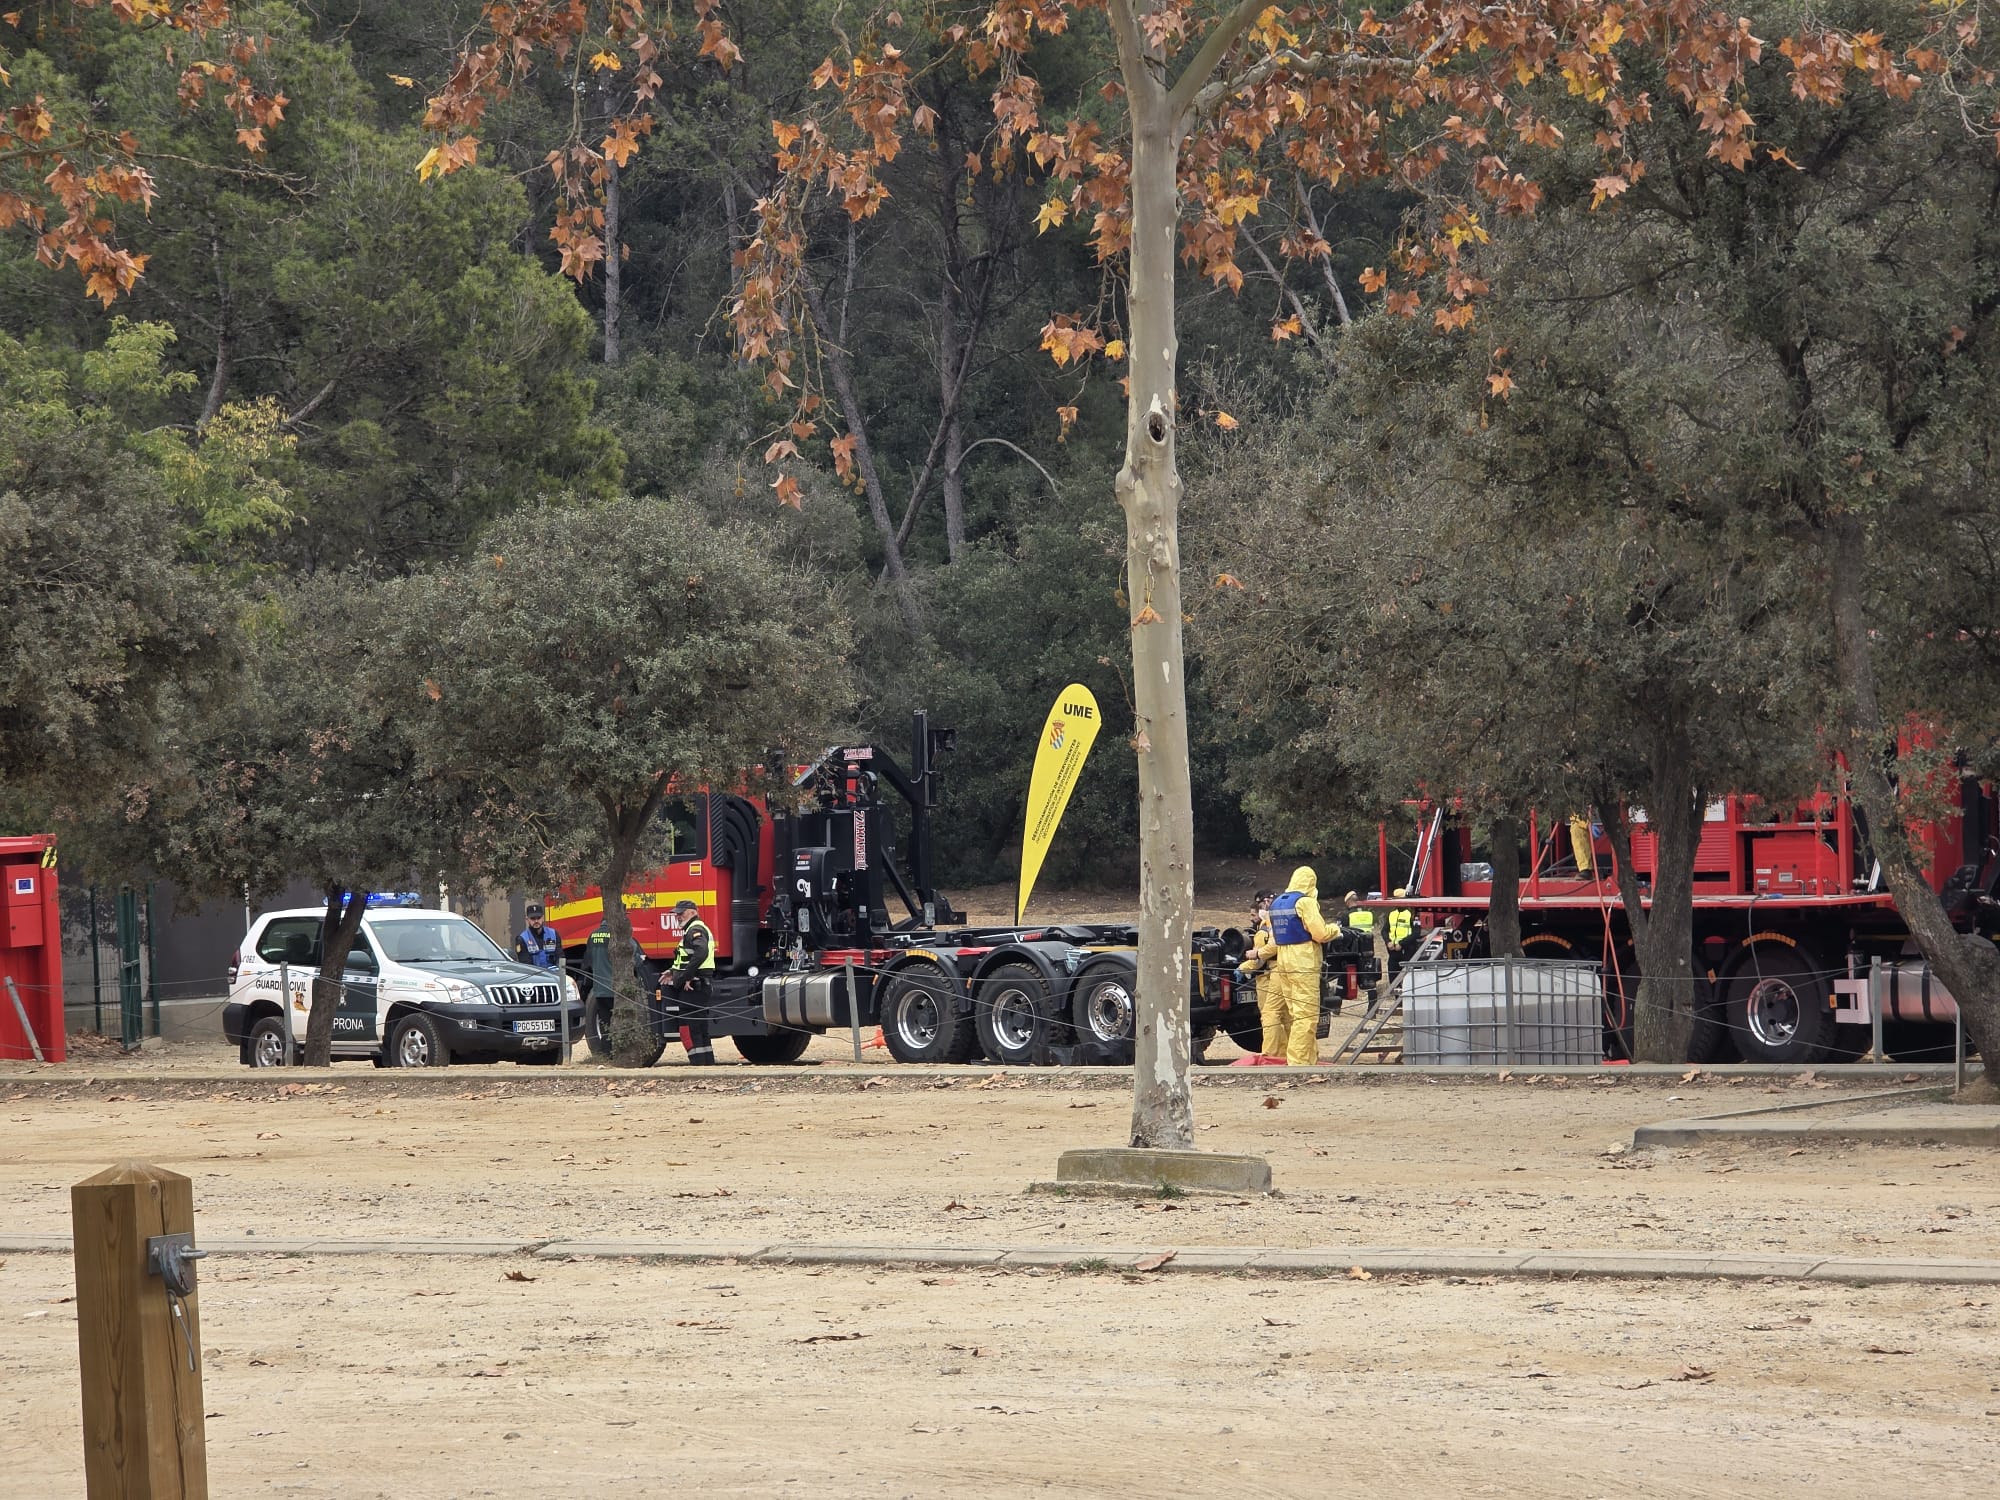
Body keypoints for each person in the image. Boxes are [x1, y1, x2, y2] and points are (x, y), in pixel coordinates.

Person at [1261, 866, 1342, 1065]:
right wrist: (1335, 929)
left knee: (1294, 1014)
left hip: (1284, 961)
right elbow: (1320, 933)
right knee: (1306, 1015)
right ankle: (1298, 1064)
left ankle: (1309, 1059)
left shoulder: (1277, 903)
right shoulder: (1305, 902)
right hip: (1303, 961)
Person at [655, 898, 717, 1065]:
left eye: (680, 913)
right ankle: (707, 1066)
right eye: (676, 914)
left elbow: (701, 953)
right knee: (700, 1029)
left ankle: (698, 1066)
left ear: (692, 913)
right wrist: (673, 971)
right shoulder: (693, 929)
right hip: (700, 984)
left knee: (688, 1030)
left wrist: (687, 976)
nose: (678, 917)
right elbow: (687, 958)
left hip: (694, 986)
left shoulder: (695, 929)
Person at [515, 902, 562, 969]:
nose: (536, 921)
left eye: (538, 918)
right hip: (535, 977)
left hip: (554, 976)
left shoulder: (553, 934)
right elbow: (526, 965)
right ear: (527, 919)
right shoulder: (522, 939)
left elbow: (560, 959)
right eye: (533, 918)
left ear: (543, 918)